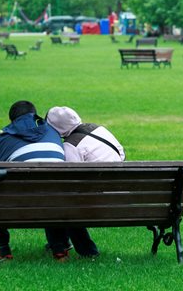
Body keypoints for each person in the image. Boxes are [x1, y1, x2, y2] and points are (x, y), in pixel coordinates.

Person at [0, 100, 72, 262]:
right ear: (35, 114)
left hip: (16, 205)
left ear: (13, 120)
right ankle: (59, 249)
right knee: (50, 190)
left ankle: (3, 249)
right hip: (56, 203)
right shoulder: (53, 133)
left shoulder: (5, 137)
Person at [45, 106, 126, 258]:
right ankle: (61, 243)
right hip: (121, 196)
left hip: (99, 202)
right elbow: (121, 154)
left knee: (59, 200)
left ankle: (76, 249)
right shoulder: (100, 129)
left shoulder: (70, 146)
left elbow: (71, 183)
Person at [46, 106, 125, 163]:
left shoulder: (71, 145)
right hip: (120, 176)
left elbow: (71, 173)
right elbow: (120, 152)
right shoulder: (98, 128)